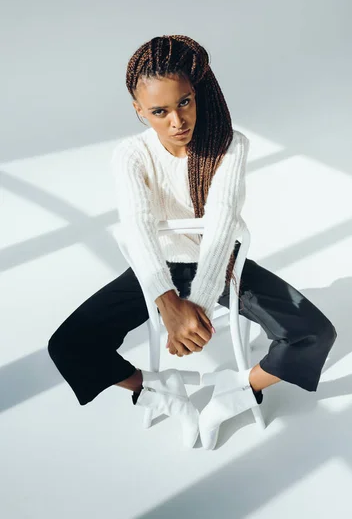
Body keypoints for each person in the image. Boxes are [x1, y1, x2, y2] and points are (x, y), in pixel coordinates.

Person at [48, 34, 337, 450]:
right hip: (156, 268)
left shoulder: (229, 145)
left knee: (314, 332)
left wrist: (195, 311)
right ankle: (156, 389)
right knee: (69, 344)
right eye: (159, 111)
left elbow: (221, 226)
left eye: (184, 102)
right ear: (139, 111)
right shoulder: (131, 154)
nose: (176, 121)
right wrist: (166, 302)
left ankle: (238, 389)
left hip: (219, 267)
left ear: (197, 93)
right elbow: (138, 226)